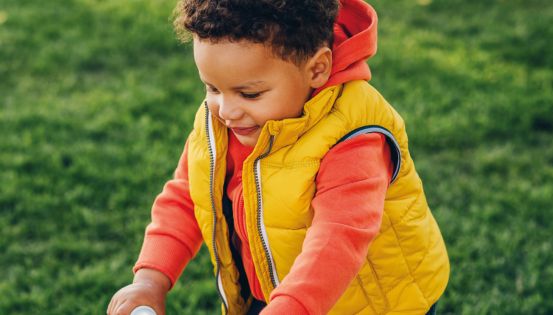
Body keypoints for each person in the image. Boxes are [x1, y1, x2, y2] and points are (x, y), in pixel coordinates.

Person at [107, 0, 450, 314]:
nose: (225, 110)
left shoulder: (354, 136)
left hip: (374, 304)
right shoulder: (228, 123)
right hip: (278, 295)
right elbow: (186, 194)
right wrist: (152, 277)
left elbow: (338, 239)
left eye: (250, 93)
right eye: (212, 88)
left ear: (317, 69)